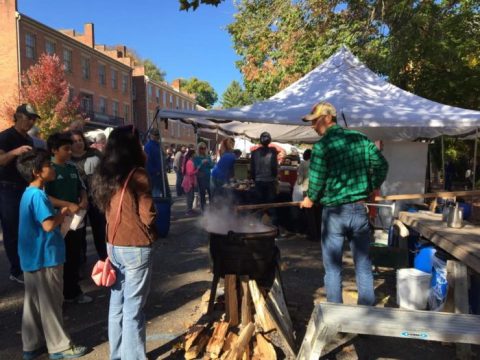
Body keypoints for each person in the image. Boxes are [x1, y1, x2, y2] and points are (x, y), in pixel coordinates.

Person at [300, 102, 388, 306]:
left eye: (315, 122)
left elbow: (317, 180)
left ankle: (335, 319)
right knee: (363, 265)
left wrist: (310, 199)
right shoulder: (361, 139)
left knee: (332, 268)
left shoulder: (322, 147)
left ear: (328, 118)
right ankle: (366, 315)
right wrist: (370, 188)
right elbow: (382, 166)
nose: (313, 126)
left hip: (334, 213)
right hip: (358, 209)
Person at [91, 125, 156, 360]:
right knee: (134, 308)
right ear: (132, 146)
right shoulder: (138, 174)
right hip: (136, 246)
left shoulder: (104, 173)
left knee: (117, 303)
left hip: (113, 246)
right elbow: (147, 215)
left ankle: (116, 355)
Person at [16, 149, 87, 360]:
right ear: (38, 172)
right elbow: (48, 225)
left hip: (31, 257)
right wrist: (62, 214)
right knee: (52, 303)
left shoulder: (28, 192)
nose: (52, 167)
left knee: (34, 304)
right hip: (46, 256)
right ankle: (60, 346)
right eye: (48, 164)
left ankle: (32, 345)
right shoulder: (38, 196)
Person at [46, 132, 92, 304]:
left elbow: (82, 187)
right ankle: (58, 297)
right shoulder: (48, 169)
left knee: (74, 256)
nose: (69, 152)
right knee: (58, 260)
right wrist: (66, 204)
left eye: (70, 148)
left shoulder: (72, 168)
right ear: (54, 150)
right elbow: (45, 196)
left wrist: (84, 198)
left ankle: (73, 292)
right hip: (57, 221)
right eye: (66, 149)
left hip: (74, 220)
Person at [0, 103, 38, 284]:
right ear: (17, 116)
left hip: (26, 188)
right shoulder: (5, 137)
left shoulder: (30, 140)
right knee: (12, 230)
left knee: (29, 228)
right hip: (8, 188)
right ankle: (16, 270)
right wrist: (16, 152)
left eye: (33, 119)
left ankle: (27, 264)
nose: (30, 122)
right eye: (28, 118)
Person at [70, 130, 107, 261]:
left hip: (96, 197)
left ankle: (105, 258)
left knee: (100, 230)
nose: (78, 143)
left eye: (80, 140)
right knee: (78, 232)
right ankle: (80, 260)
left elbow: (107, 170)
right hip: (77, 201)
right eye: (74, 141)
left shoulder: (95, 153)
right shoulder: (68, 158)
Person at [250, 132, 278, 224]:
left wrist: (255, 179)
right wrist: (274, 177)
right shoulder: (273, 151)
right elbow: (274, 168)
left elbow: (252, 169)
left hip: (258, 182)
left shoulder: (254, 153)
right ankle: (272, 227)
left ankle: (258, 226)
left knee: (259, 205)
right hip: (270, 182)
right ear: (269, 141)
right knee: (270, 205)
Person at [144, 128, 165, 198]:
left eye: (158, 135)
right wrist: (155, 171)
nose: (157, 136)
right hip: (154, 174)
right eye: (156, 135)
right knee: (155, 194)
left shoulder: (158, 145)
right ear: (151, 135)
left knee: (159, 192)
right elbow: (148, 161)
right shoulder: (149, 146)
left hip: (159, 173)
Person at [194, 142, 213, 211]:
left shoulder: (208, 157)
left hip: (208, 177)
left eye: (204, 148)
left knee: (211, 193)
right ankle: (203, 210)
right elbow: (195, 168)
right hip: (201, 177)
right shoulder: (196, 157)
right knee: (202, 194)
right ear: (198, 149)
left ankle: (212, 208)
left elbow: (212, 166)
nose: (203, 150)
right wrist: (201, 163)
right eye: (201, 148)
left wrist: (208, 162)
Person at [182, 149, 198, 215]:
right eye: (195, 153)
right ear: (192, 154)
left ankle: (190, 209)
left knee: (191, 197)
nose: (195, 154)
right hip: (188, 182)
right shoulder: (190, 162)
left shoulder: (189, 161)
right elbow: (190, 173)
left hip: (189, 181)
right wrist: (197, 170)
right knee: (190, 197)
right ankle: (188, 211)